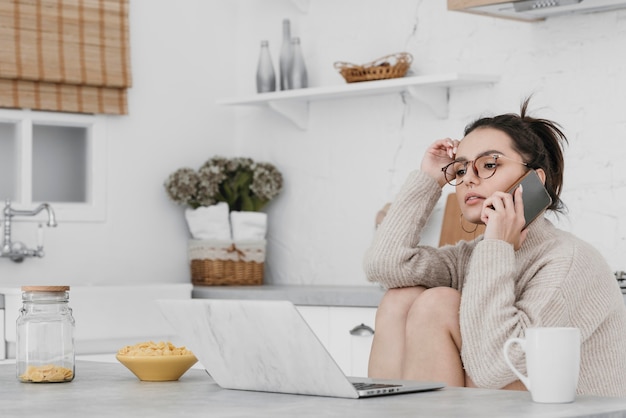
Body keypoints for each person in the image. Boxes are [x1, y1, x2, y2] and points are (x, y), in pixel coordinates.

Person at [363, 98, 626, 397]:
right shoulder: (472, 254)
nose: (469, 179)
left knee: (438, 304)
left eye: (489, 164)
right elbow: (384, 265)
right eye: (460, 170)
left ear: (534, 180)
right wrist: (430, 180)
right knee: (401, 298)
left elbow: (495, 369)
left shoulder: (569, 260)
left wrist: (498, 245)